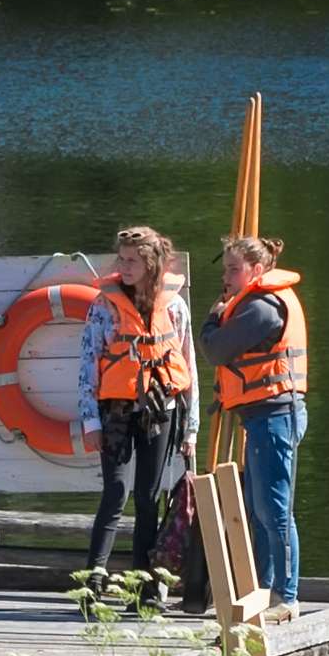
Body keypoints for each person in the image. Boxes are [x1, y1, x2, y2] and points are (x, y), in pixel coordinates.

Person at [75, 225, 196, 593]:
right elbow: (88, 364)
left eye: (132, 261)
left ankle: (145, 588)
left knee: (148, 498)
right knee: (115, 492)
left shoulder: (174, 306)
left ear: (151, 265)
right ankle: (93, 582)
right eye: (121, 259)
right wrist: (90, 421)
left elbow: (188, 365)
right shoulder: (104, 306)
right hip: (115, 410)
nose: (123, 267)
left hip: (162, 409)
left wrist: (191, 429)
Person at [203, 229, 310, 610]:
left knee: (274, 511)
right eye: (226, 269)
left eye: (234, 270)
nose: (226, 277)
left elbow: (216, 351)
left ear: (257, 270)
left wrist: (212, 320)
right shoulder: (251, 303)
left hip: (276, 416)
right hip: (262, 416)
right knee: (258, 509)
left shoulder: (262, 308)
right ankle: (266, 588)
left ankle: (287, 596)